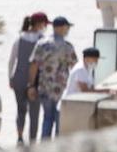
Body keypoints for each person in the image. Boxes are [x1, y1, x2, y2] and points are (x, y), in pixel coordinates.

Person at [28, 15, 77, 139]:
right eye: (67, 27)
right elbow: (74, 67)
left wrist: (31, 85)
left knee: (47, 117)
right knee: (59, 117)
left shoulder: (42, 43)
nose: (68, 30)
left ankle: (44, 144)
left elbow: (34, 65)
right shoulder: (67, 46)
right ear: (61, 28)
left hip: (45, 86)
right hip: (61, 88)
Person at [7, 13, 47, 144]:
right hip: (35, 81)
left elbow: (12, 61)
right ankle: (32, 140)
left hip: (18, 78)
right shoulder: (42, 40)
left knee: (20, 110)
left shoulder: (19, 40)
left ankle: (19, 137)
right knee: (34, 112)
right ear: (39, 24)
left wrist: (10, 78)